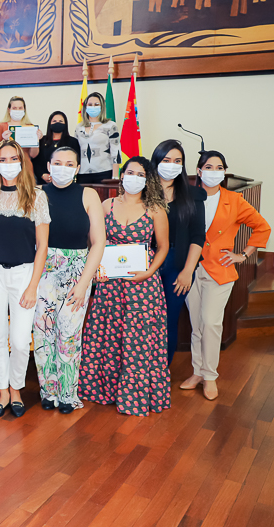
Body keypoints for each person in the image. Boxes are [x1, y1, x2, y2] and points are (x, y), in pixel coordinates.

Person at [79, 157, 171, 416]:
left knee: (137, 341)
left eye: (140, 174)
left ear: (147, 179)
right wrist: (97, 269)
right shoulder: (106, 205)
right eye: (129, 172)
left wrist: (150, 272)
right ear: (122, 175)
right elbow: (94, 241)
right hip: (109, 284)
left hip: (142, 285)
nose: (134, 177)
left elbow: (162, 247)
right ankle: (104, 391)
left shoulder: (155, 209)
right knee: (107, 336)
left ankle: (134, 396)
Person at [181, 151, 271, 400]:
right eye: (208, 167)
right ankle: (197, 372)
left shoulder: (234, 200)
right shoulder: (188, 197)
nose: (214, 171)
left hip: (219, 270)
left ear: (224, 171)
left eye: (219, 167)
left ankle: (210, 376)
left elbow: (262, 227)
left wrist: (242, 255)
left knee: (211, 322)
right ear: (199, 172)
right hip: (190, 268)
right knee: (197, 324)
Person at [0, 141, 50, 418]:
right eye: (2, 159)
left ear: (22, 161)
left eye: (13, 158)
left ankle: (17, 387)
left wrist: (33, 285)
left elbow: (42, 245)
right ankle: (3, 392)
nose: (8, 163)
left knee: (20, 340)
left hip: (24, 274)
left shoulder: (36, 196)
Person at [33, 147, 105, 413]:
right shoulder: (37, 193)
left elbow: (98, 242)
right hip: (43, 270)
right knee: (43, 333)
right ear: (49, 166)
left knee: (69, 334)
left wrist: (84, 282)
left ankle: (68, 393)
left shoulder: (88, 194)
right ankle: (47, 392)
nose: (63, 167)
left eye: (69, 164)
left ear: (77, 169)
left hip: (78, 272)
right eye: (57, 163)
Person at [151, 140, 205, 365]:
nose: (171, 165)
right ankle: (139, 373)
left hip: (178, 264)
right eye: (166, 160)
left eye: (177, 161)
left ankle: (160, 372)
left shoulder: (193, 195)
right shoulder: (142, 193)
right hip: (147, 263)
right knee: (144, 321)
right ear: (156, 162)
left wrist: (187, 270)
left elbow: (197, 236)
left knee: (167, 321)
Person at [75, 92, 120, 183]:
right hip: (83, 174)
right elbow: (76, 151)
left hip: (104, 172)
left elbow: (116, 152)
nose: (93, 107)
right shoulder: (79, 127)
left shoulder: (111, 126)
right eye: (90, 104)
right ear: (85, 107)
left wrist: (115, 177)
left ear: (102, 107)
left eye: (96, 104)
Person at [33, 112, 80, 184]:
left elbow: (76, 161)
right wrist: (42, 175)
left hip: (66, 181)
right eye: (54, 121)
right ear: (49, 123)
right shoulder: (42, 140)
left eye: (61, 121)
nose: (57, 123)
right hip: (44, 182)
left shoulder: (73, 141)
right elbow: (36, 162)